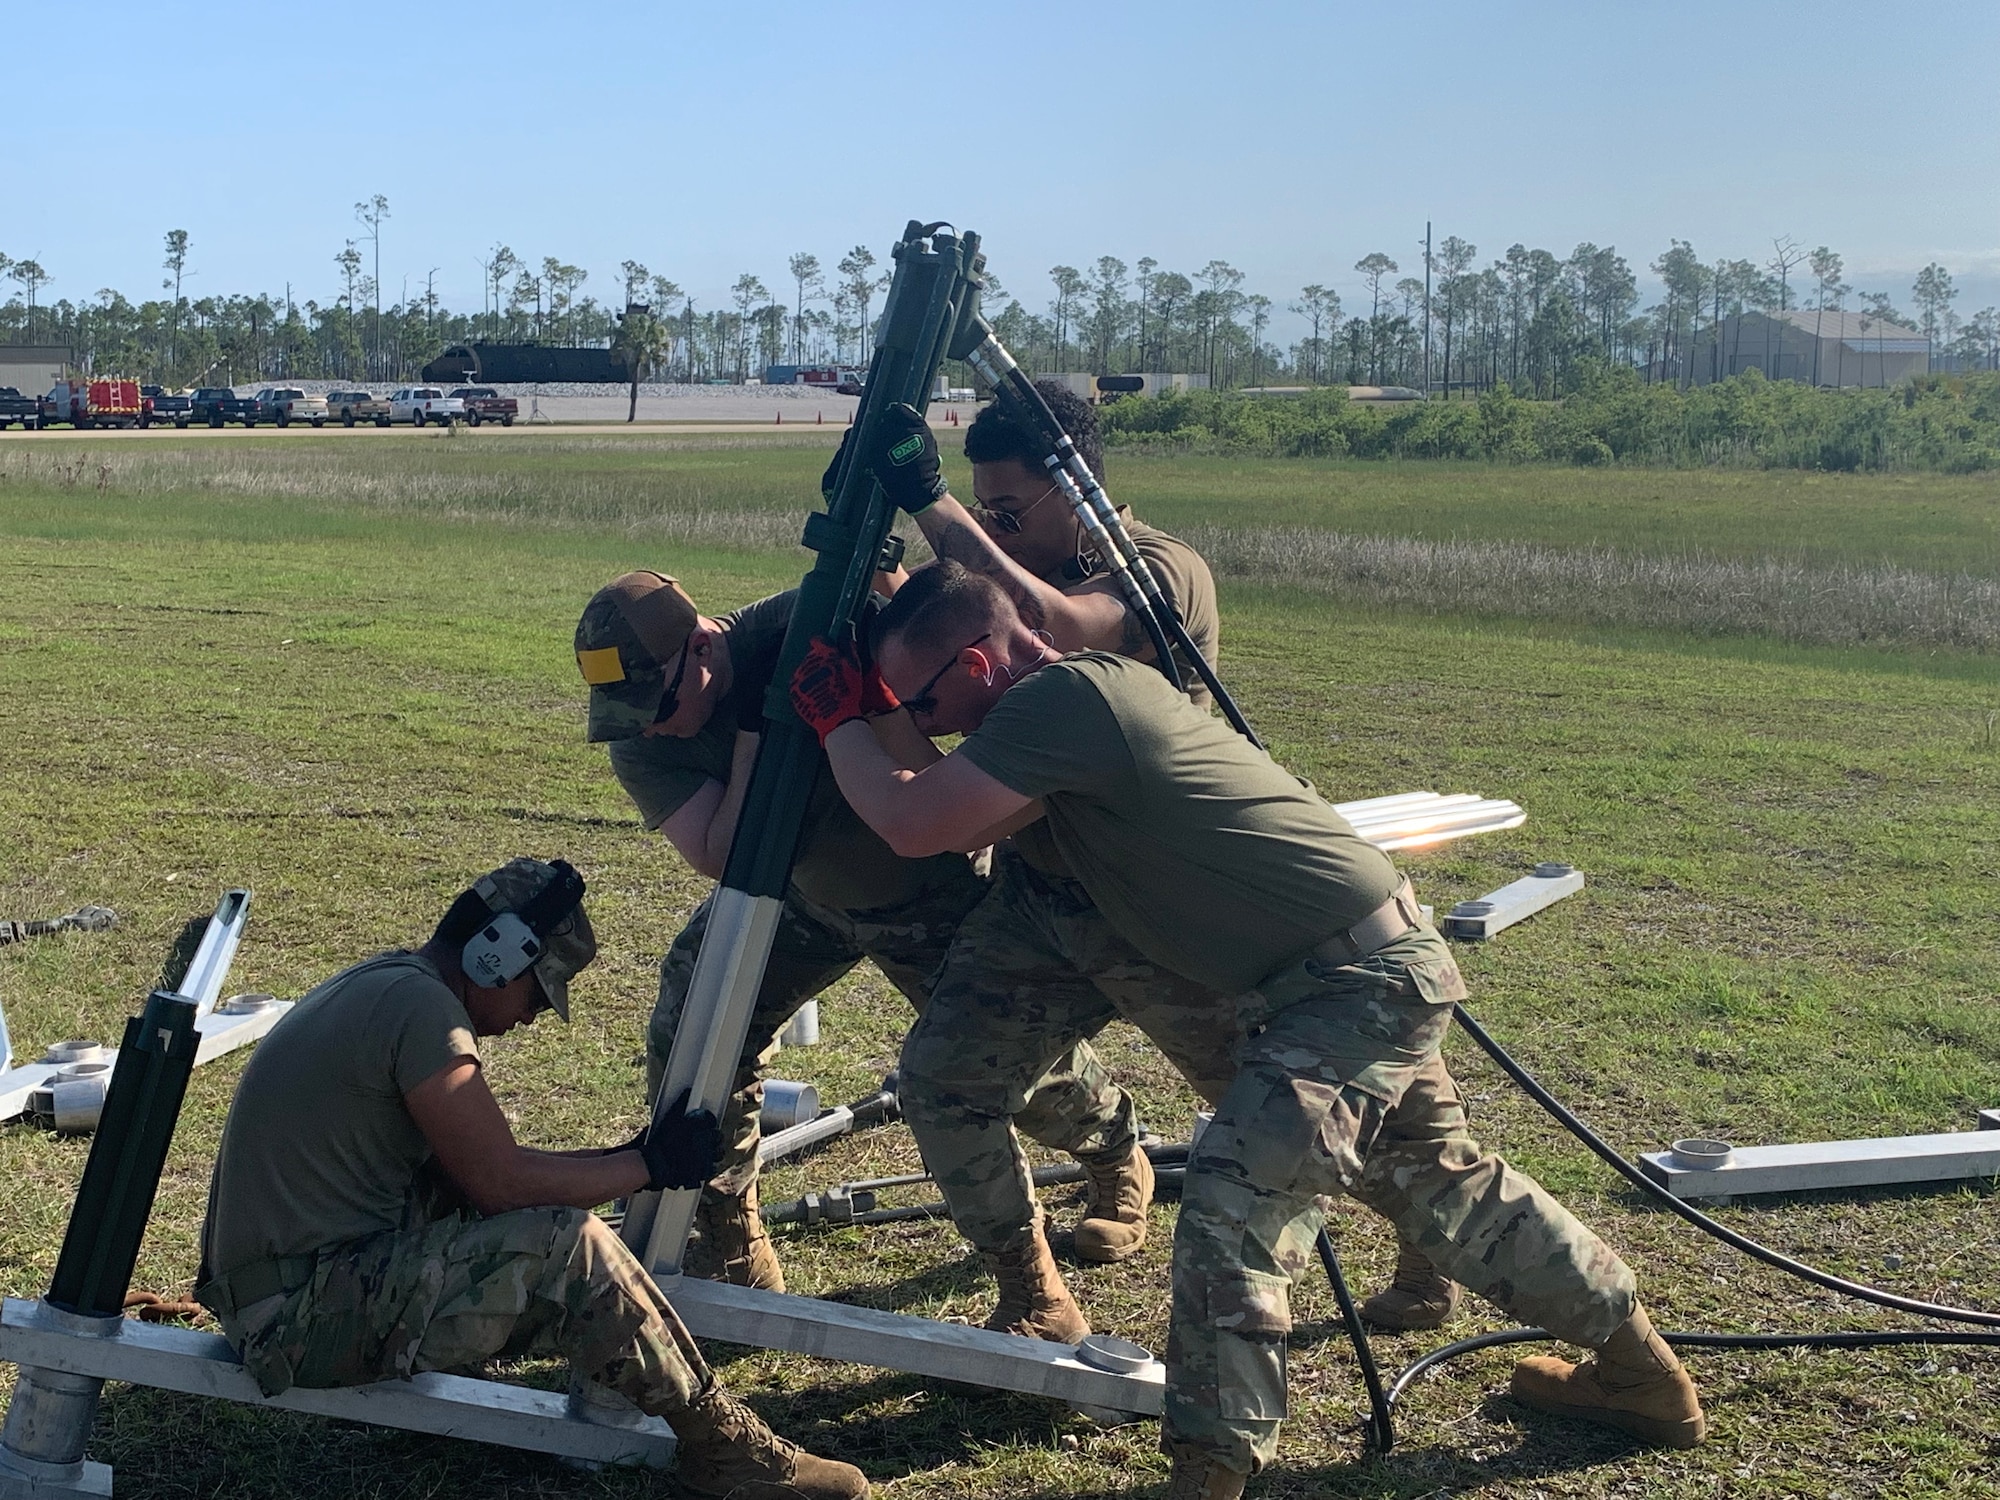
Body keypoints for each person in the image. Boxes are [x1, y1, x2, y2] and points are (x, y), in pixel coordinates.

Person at [789, 565, 1707, 1497]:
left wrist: (836, 719)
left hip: (1354, 984)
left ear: (981, 663)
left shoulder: (1065, 698)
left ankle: (1211, 1474)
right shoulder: (1069, 708)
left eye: (928, 700)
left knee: (1234, 1196)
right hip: (1345, 971)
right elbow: (949, 805)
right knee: (1440, 1184)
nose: (930, 721)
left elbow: (914, 820)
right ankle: (1642, 1375)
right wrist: (882, 708)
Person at [854, 390, 1463, 1334]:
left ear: (1080, 484)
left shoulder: (1159, 570)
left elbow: (1054, 625)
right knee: (945, 1079)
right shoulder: (997, 568)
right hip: (1044, 896)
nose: (993, 526)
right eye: (984, 507)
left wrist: (934, 507)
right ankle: (1034, 1295)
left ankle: (1433, 1253)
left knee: (1304, 1111)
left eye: (1008, 511)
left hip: (1167, 900)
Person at [193, 857, 868, 1499]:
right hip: (294, 1322)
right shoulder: (423, 1014)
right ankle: (727, 1451)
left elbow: (470, 1175)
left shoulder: (392, 987)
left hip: (284, 1296)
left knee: (513, 1219)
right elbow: (501, 1184)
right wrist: (644, 1165)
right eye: (537, 994)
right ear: (498, 955)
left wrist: (627, 1157)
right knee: (568, 1246)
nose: (528, 1018)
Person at [573, 569, 1153, 1313]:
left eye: (658, 703)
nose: (649, 725)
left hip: (924, 888)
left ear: (703, 643)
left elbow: (934, 691)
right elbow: (723, 855)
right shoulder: (642, 739)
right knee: (698, 1028)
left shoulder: (805, 624)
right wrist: (759, 728)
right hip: (792, 897)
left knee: (1010, 1069)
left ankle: (1114, 1153)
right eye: (630, 714)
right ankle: (733, 1238)